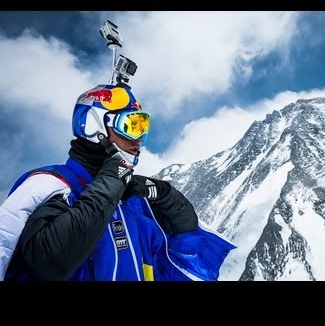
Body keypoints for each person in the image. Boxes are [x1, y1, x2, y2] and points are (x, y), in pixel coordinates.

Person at [0, 83, 234, 281]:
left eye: (144, 128)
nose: (139, 141)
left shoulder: (130, 201)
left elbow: (185, 235)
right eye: (131, 126)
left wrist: (164, 193)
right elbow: (49, 261)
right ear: (94, 128)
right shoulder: (52, 186)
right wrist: (110, 182)